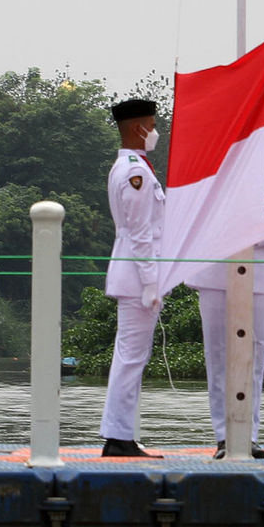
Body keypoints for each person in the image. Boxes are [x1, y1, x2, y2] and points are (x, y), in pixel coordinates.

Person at [98, 99, 165, 458]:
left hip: (136, 272)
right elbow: (140, 233)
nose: (155, 132)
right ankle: (118, 436)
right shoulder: (133, 172)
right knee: (131, 356)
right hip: (138, 275)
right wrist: (152, 281)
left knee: (132, 355)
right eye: (152, 125)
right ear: (139, 128)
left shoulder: (131, 167)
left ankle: (122, 433)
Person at [188, 244, 264, 460]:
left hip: (259, 265)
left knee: (255, 357)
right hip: (213, 266)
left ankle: (249, 434)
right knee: (217, 357)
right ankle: (223, 435)